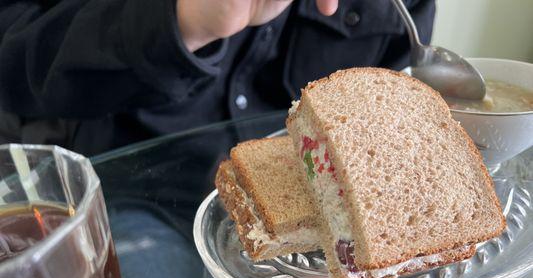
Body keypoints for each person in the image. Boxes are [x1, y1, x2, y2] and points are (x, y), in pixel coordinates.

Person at [0, 0, 435, 155]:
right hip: (146, 207)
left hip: (321, 224)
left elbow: (386, 125)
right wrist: (181, 22)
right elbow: (12, 63)